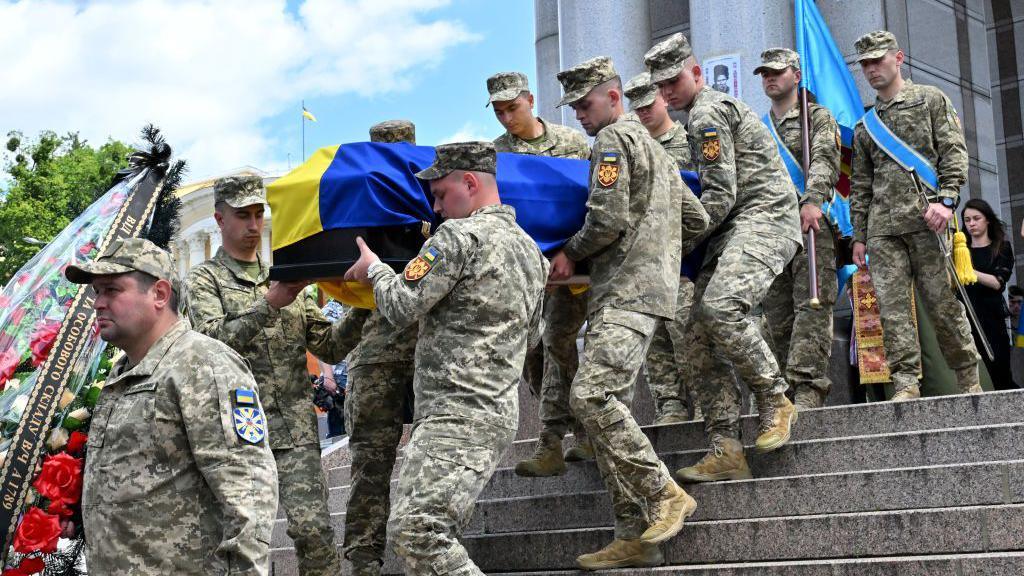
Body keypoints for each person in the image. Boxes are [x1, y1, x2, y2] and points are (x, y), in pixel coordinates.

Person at [344, 141, 548, 576]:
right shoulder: (533, 252)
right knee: (422, 528)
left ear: (469, 183)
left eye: (440, 194)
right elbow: (532, 336)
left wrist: (375, 269)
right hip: (493, 414)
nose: (435, 208)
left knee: (418, 531)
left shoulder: (457, 237)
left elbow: (400, 306)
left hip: (455, 415)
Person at [548, 56, 708, 569]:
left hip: (624, 292)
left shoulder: (613, 142)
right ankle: (632, 533)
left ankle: (664, 493)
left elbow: (607, 219)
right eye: (573, 107)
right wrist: (662, 252)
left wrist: (569, 250)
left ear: (614, 98)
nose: (579, 114)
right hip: (650, 292)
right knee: (603, 407)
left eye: (585, 103)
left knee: (590, 395)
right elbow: (697, 215)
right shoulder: (659, 151)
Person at [646, 33, 803, 484]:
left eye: (675, 80)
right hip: (732, 230)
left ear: (696, 73)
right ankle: (726, 447)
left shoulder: (708, 114)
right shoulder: (701, 113)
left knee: (722, 308)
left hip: (764, 218)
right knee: (694, 330)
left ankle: (776, 400)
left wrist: (668, 243)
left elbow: (718, 196)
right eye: (662, 86)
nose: (668, 92)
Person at [72, 238, 278, 575]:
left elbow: (249, 491)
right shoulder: (122, 372)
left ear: (160, 294)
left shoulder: (202, 364)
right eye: (96, 292)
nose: (98, 303)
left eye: (111, 290)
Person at [184, 176, 349, 576]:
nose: (254, 226)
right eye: (243, 216)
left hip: (294, 430)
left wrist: (361, 302)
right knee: (240, 541)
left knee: (314, 532)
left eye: (259, 214)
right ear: (220, 219)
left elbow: (327, 345)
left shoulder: (287, 274)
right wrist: (270, 303)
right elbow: (210, 344)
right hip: (236, 434)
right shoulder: (203, 281)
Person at [848, 30, 981, 400]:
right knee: (891, 312)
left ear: (899, 58)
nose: (872, 69)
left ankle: (968, 377)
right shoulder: (865, 127)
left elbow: (954, 152)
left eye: (878, 60)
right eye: (866, 64)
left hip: (928, 221)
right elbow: (860, 185)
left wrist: (948, 201)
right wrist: (859, 235)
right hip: (883, 230)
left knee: (941, 306)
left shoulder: (930, 100)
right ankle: (906, 383)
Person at [323, 120, 422, 576]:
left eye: (399, 149)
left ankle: (432, 547)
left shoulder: (430, 198)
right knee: (369, 466)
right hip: (377, 356)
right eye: (384, 149)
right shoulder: (359, 203)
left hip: (426, 353)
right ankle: (363, 560)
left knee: (431, 461)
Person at [487, 71, 595, 476]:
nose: (507, 119)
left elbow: (591, 202)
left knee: (558, 342)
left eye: (512, 108)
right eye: (499, 112)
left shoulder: (571, 144)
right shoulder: (495, 153)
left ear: (530, 100)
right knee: (533, 357)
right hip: (523, 271)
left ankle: (554, 439)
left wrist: (573, 251)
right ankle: (580, 429)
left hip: (569, 267)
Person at [755, 48, 842, 410]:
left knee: (811, 303)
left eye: (777, 71)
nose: (770, 78)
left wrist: (813, 200)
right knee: (775, 313)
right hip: (770, 231)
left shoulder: (816, 118)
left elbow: (824, 159)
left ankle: (808, 386)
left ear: (796, 75)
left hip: (809, 224)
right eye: (764, 73)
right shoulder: (757, 128)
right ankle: (783, 391)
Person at [623, 71, 699, 424]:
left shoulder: (690, 141)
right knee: (653, 339)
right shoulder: (630, 150)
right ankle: (670, 403)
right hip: (646, 261)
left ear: (663, 100)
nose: (643, 114)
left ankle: (702, 402)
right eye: (635, 109)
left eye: (648, 105)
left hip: (685, 257)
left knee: (686, 332)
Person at [962, 198, 1015, 389]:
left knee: (999, 372)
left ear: (988, 220)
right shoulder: (961, 250)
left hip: (992, 318)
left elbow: (997, 283)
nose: (972, 224)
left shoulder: (1002, 248)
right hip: (965, 318)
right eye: (967, 220)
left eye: (976, 218)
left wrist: (969, 271)